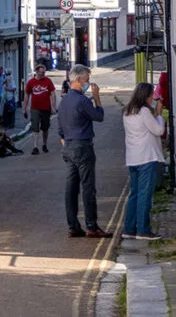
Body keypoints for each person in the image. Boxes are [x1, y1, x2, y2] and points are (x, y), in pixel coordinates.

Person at [58, 63, 112, 238]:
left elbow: (60, 129)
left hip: (68, 147)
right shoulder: (82, 100)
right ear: (80, 80)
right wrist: (96, 97)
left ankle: (73, 225)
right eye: (88, 80)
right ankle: (92, 226)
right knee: (88, 187)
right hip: (83, 145)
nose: (89, 83)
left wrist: (66, 143)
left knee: (70, 189)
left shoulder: (65, 100)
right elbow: (99, 116)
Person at [122, 82, 166, 241]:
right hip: (146, 157)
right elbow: (158, 130)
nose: (152, 98)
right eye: (151, 95)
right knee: (144, 195)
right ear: (146, 96)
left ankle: (129, 228)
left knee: (134, 194)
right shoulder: (144, 111)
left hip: (132, 158)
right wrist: (159, 114)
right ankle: (143, 230)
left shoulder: (127, 111)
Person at [25, 62, 58, 154]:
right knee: (35, 127)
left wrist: (53, 106)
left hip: (46, 108)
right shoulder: (31, 82)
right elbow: (27, 95)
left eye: (44, 72)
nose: (43, 74)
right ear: (36, 72)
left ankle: (44, 144)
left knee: (45, 127)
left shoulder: (48, 81)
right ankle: (35, 146)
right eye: (41, 72)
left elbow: (52, 94)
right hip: (35, 108)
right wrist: (24, 108)